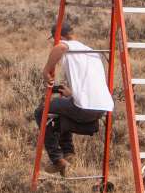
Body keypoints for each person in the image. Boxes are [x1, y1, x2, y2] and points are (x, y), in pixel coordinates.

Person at [36, 21, 114, 175]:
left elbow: (60, 47)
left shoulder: (66, 46)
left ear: (58, 37)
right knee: (63, 108)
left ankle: (58, 160)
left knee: (40, 112)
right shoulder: (91, 51)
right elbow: (90, 83)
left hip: (84, 109)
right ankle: (68, 153)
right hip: (101, 108)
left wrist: (46, 72)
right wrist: (72, 94)